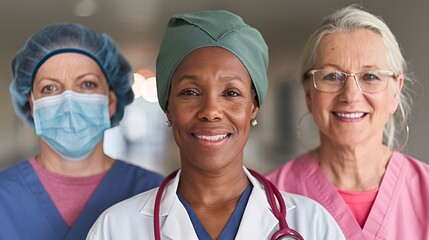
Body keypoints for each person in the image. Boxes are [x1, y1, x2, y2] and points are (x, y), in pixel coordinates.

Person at [87, 10, 345, 240]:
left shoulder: (312, 225)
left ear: (253, 106)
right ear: (168, 107)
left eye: (231, 93)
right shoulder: (116, 229)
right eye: (189, 92)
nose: (210, 111)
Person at [266, 5, 429, 239]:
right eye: (332, 76)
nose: (350, 95)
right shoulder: (268, 199)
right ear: (308, 94)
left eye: (370, 76)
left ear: (395, 93)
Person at [0, 22, 163, 240]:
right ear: (32, 105)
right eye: (50, 87)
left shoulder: (156, 194)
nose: (69, 101)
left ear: (110, 101)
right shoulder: (4, 196)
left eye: (87, 84)